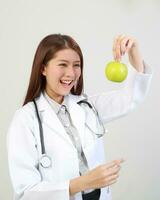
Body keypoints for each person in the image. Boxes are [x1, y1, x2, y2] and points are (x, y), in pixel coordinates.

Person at [7, 34, 152, 200]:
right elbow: (25, 193)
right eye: (63, 64)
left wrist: (134, 50)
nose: (71, 73)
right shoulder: (25, 119)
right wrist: (84, 183)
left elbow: (130, 98)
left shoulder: (87, 106)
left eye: (76, 65)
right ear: (43, 68)